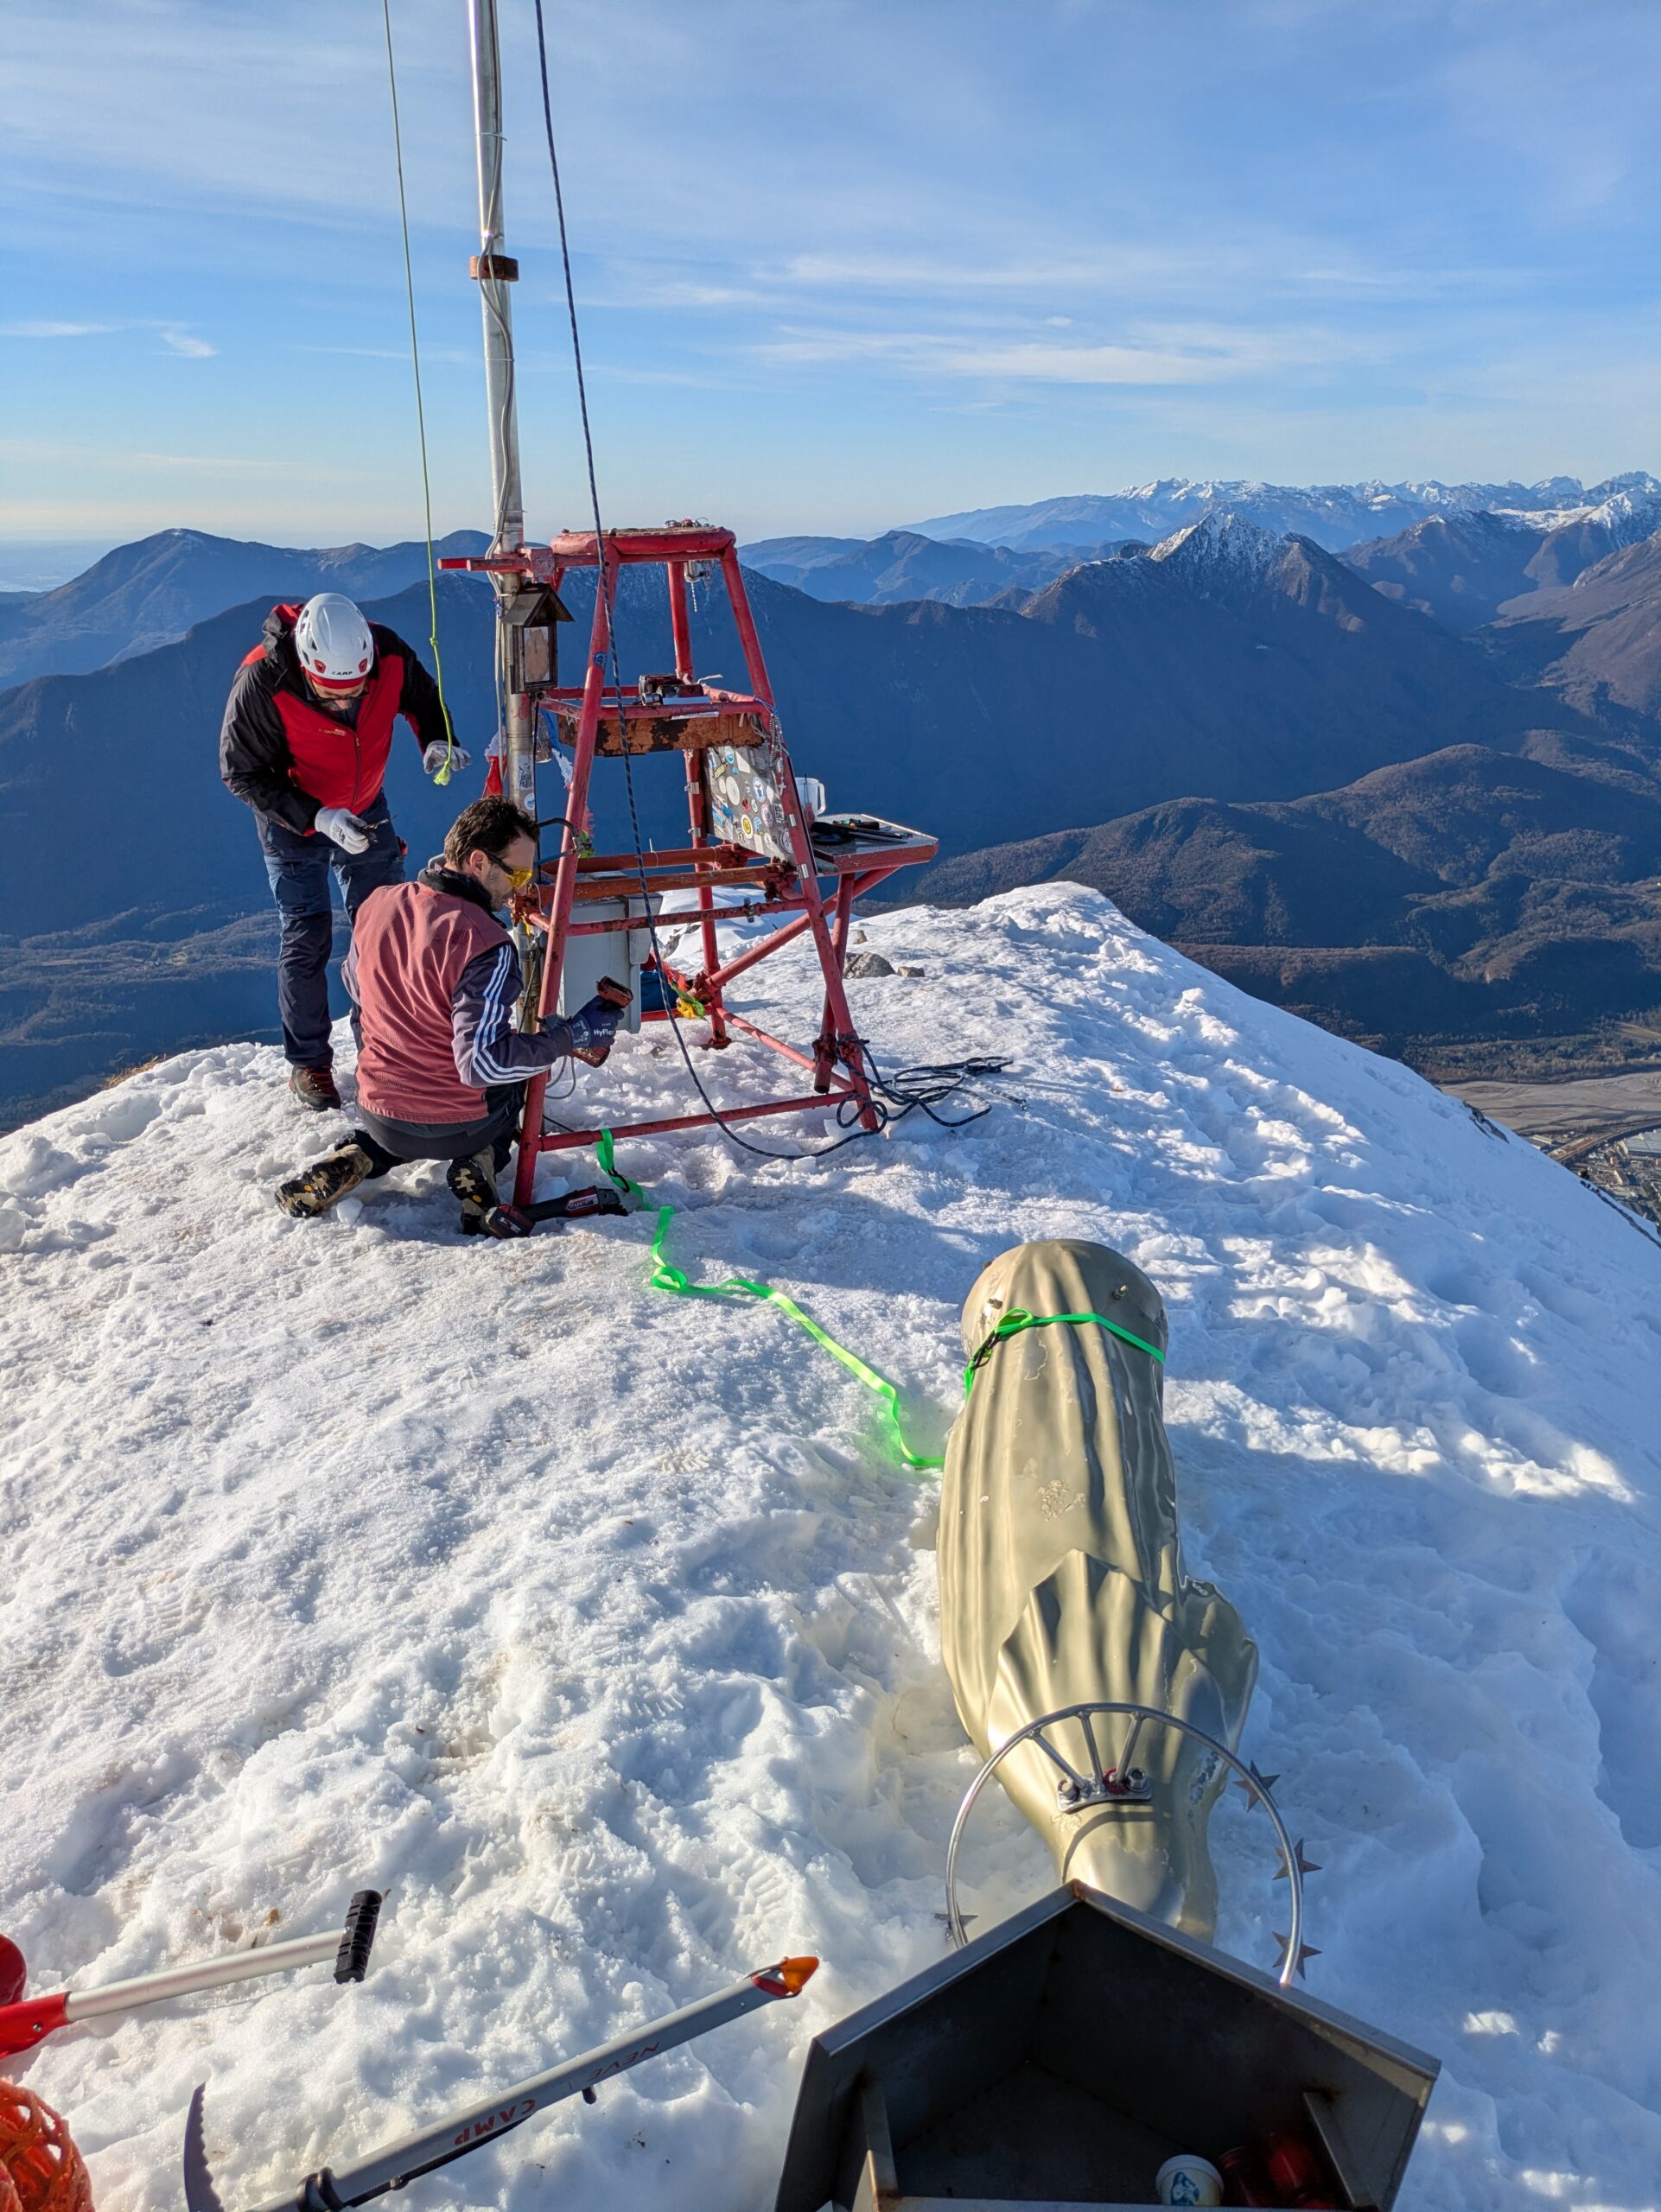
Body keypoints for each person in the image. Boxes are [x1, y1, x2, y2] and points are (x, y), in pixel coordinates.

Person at [274, 796, 627, 1236]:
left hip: (380, 1114)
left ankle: (359, 1154)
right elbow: (483, 1064)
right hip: (462, 1127)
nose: (519, 889)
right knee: (515, 1078)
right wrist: (570, 1037)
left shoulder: (377, 905)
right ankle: (480, 1161)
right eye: (516, 874)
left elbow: (360, 995)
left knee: (398, 1115)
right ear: (478, 862)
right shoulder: (487, 942)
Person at [220, 591, 471, 1111]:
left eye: (354, 692)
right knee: (307, 934)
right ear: (305, 664)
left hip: (364, 804)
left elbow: (423, 698)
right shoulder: (262, 681)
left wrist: (436, 739)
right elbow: (241, 773)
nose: (344, 705)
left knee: (385, 934)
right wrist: (316, 817)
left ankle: (381, 1051)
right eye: (331, 696)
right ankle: (309, 1064)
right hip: (292, 820)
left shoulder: (388, 654)